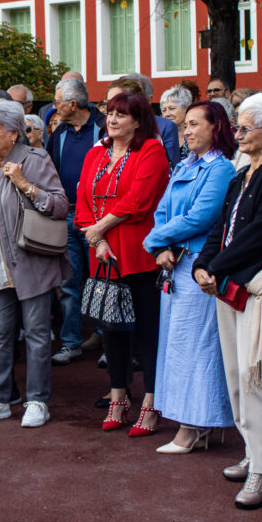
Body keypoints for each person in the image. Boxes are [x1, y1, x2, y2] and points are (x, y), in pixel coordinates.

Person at [193, 93, 262, 509]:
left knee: (257, 380)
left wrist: (215, 267)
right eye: (237, 125)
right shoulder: (241, 176)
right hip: (229, 285)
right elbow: (220, 226)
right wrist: (203, 265)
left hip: (260, 286)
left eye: (244, 126)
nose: (236, 132)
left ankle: (260, 473)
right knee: (239, 376)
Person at [0, 100, 69, 428]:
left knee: (37, 333)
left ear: (14, 133)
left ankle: (37, 401)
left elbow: (61, 205)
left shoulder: (35, 159)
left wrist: (25, 184)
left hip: (31, 263)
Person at [144, 101, 238, 453]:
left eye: (195, 124)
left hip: (200, 264)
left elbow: (202, 217)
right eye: (185, 124)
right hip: (174, 262)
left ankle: (197, 424)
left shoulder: (221, 169)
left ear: (216, 127)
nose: (187, 130)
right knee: (178, 345)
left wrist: (155, 240)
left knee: (198, 346)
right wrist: (159, 248)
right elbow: (162, 210)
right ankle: (189, 421)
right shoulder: (185, 164)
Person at [75, 92, 169, 435]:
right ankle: (118, 397)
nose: (112, 120)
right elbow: (82, 198)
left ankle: (151, 401)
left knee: (146, 332)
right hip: (101, 254)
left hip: (138, 253)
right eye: (109, 113)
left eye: (121, 115)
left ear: (138, 120)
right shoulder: (95, 153)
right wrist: (97, 238)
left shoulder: (152, 151)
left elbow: (140, 201)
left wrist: (99, 228)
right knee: (111, 329)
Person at [44, 77, 105, 367]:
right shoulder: (60, 133)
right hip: (67, 215)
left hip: (98, 219)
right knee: (69, 282)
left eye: (57, 103)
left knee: (103, 280)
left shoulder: (103, 128)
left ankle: (108, 340)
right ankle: (71, 342)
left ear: (72, 104)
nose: (54, 108)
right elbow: (50, 168)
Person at [122, 73, 180, 165]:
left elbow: (173, 166)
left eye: (134, 96)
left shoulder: (165, 126)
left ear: (148, 100)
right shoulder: (114, 123)